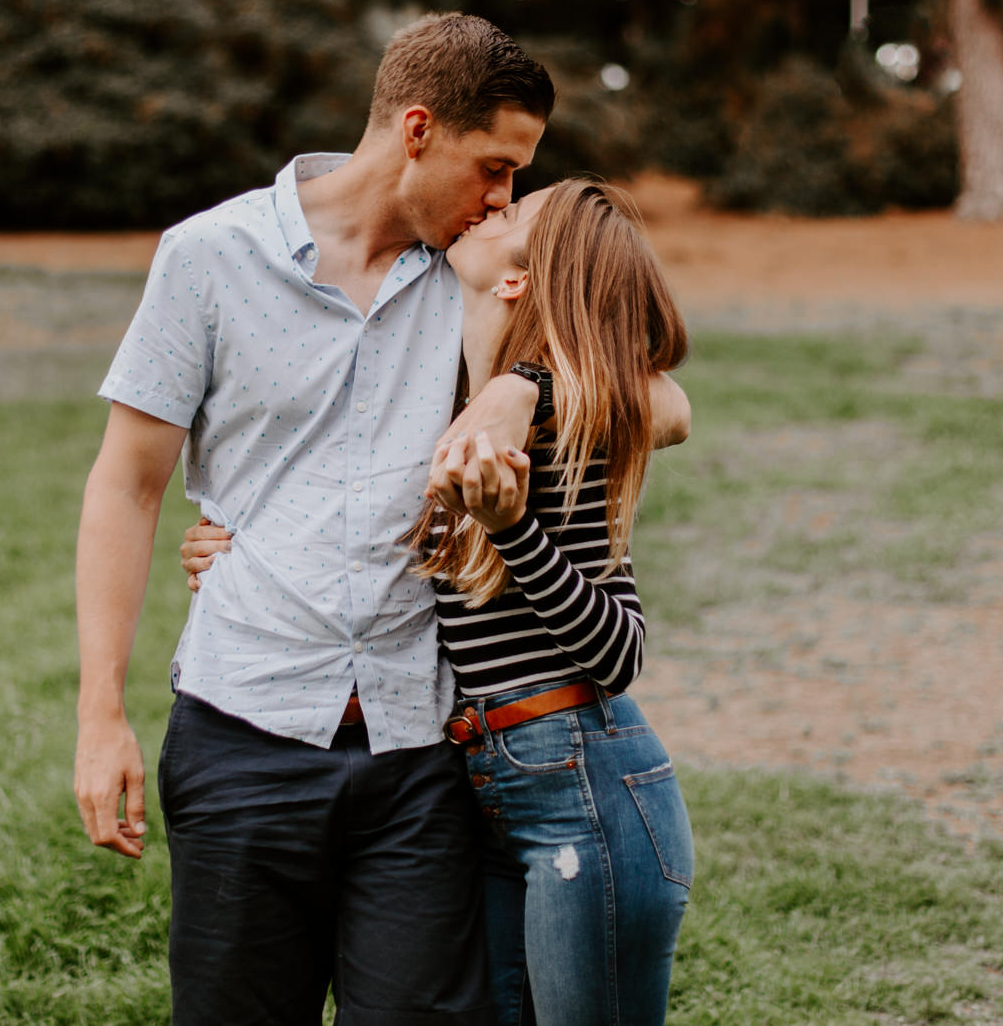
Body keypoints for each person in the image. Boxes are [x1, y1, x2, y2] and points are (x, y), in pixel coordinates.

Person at [74, 13, 684, 1025]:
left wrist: (519, 387)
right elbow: (126, 485)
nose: (503, 199)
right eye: (492, 167)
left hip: (420, 760)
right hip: (242, 732)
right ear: (415, 131)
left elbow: (661, 400)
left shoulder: (481, 278)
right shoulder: (206, 258)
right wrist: (101, 715)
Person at [185, 179, 695, 1026]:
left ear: (519, 281)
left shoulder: (559, 431)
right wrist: (235, 544)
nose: (494, 206)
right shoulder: (456, 400)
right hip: (486, 785)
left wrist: (516, 524)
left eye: (513, 216)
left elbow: (619, 654)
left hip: (584, 781)